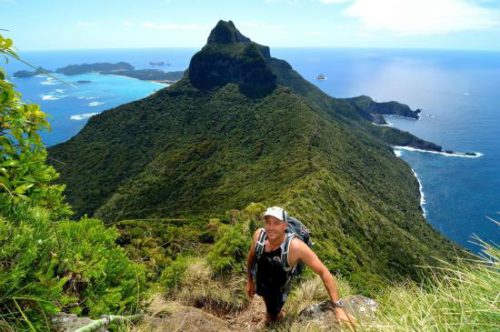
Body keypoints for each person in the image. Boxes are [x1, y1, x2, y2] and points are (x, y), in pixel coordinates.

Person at [246, 206, 354, 326]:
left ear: (285, 226)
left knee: (274, 312)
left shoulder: (296, 247)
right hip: (264, 270)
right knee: (263, 289)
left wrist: (338, 308)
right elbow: (251, 257)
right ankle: (270, 312)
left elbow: (324, 272)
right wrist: (250, 281)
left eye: (276, 223)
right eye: (268, 222)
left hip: (282, 274)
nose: (271, 228)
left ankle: (275, 315)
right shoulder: (258, 237)